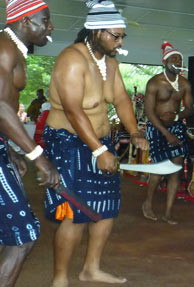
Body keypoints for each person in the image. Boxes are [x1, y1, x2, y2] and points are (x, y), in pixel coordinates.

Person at [43, 1, 148, 286]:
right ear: (97, 32)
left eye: (122, 36)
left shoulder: (110, 63)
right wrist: (99, 150)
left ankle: (91, 268)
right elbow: (75, 111)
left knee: (107, 207)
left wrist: (135, 131)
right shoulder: (72, 59)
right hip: (68, 142)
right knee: (76, 212)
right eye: (116, 36)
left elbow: (122, 99)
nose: (120, 41)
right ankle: (60, 279)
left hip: (99, 141)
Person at [0, 0, 60, 286]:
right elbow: (1, 106)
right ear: (24, 21)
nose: (50, 26)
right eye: (44, 20)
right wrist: (38, 156)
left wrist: (10, 149)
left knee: (17, 232)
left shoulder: (12, 50)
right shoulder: (4, 49)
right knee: (23, 234)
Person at [142, 41, 193, 224]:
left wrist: (178, 117)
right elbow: (149, 112)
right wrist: (165, 132)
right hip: (156, 127)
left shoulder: (185, 84)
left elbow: (189, 108)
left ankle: (168, 211)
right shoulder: (155, 83)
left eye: (179, 58)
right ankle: (147, 203)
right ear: (165, 61)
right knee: (160, 167)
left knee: (175, 169)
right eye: (174, 58)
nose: (178, 60)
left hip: (176, 127)